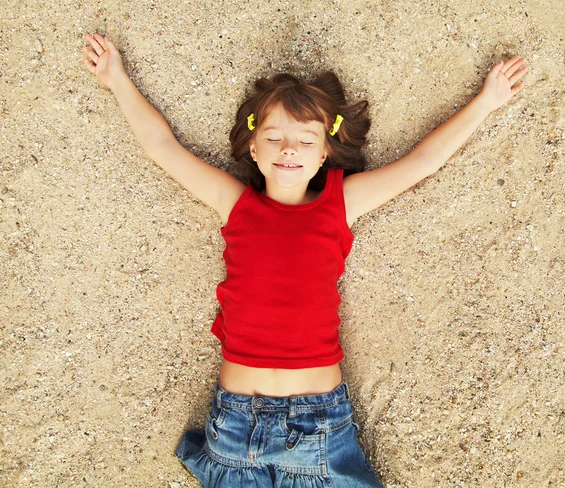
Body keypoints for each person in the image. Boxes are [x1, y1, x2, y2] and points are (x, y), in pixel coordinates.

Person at [82, 32, 528, 487]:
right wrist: (117, 80)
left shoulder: (341, 202)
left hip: (319, 426)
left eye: (304, 140)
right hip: (237, 426)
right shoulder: (234, 202)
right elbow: (163, 148)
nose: (288, 148)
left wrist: (486, 101)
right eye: (273, 137)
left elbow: (422, 163)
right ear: (253, 149)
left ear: (326, 153)